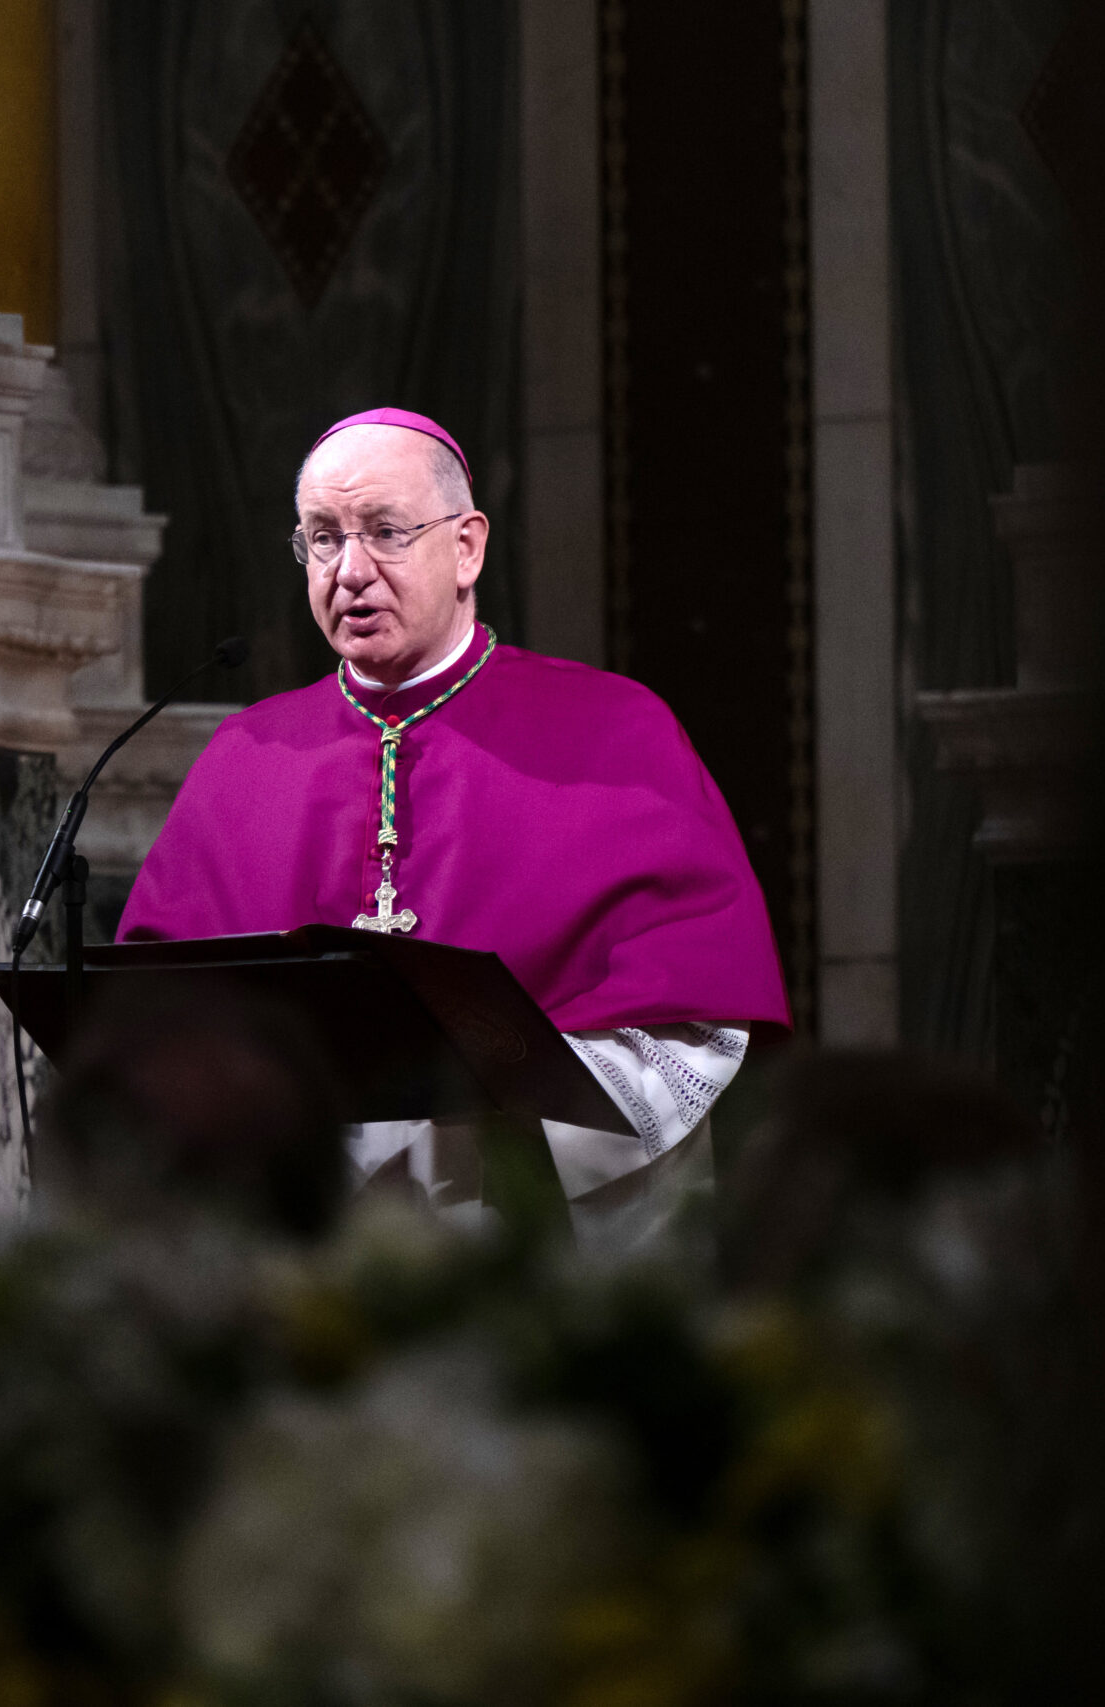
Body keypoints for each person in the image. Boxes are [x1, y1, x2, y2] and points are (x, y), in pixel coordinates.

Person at [117, 407, 788, 1249]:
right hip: (295, 1238)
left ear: (467, 547)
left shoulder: (617, 733)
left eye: (385, 532)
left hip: (528, 1234)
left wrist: (478, 1142)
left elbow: (685, 1021)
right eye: (322, 538)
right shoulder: (245, 757)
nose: (349, 570)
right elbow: (155, 1012)